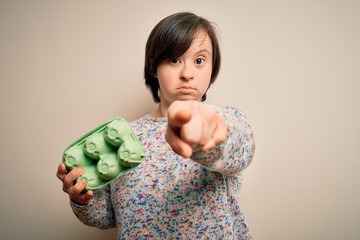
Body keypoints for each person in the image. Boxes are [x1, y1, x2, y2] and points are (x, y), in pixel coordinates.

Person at [57, 12, 255, 239]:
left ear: (213, 69)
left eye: (199, 61)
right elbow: (109, 217)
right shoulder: (126, 139)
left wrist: (206, 131)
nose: (187, 74)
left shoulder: (227, 120)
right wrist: (82, 199)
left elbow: (238, 148)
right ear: (154, 66)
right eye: (174, 60)